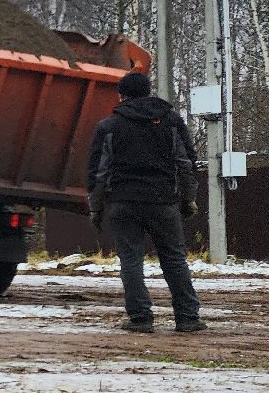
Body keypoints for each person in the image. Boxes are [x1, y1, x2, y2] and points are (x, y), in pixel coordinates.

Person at [86, 71, 205, 333]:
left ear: (121, 95)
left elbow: (99, 172)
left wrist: (96, 208)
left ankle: (140, 318)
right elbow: (185, 164)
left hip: (123, 202)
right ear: (148, 91)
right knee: (174, 259)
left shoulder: (108, 126)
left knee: (131, 261)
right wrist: (189, 199)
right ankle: (187, 317)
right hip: (163, 201)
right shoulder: (170, 121)